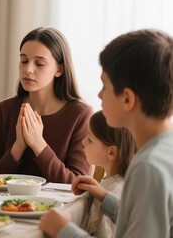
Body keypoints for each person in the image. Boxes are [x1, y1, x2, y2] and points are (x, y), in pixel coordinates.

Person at [39, 29, 173, 238]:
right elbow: (142, 219)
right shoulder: (164, 151)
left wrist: (63, 231)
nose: (99, 94)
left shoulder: (148, 167)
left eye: (105, 86)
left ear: (127, 99)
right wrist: (104, 196)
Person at [0, 27, 93, 183]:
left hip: (59, 207)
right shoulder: (5, 110)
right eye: (24, 60)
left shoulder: (80, 114)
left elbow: (79, 185)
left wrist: (38, 145)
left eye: (39, 63)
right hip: (6, 206)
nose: (28, 69)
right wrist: (18, 147)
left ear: (59, 69)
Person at [61, 110, 135, 237]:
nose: (83, 142)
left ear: (111, 152)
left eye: (90, 139)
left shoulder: (116, 190)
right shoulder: (111, 183)